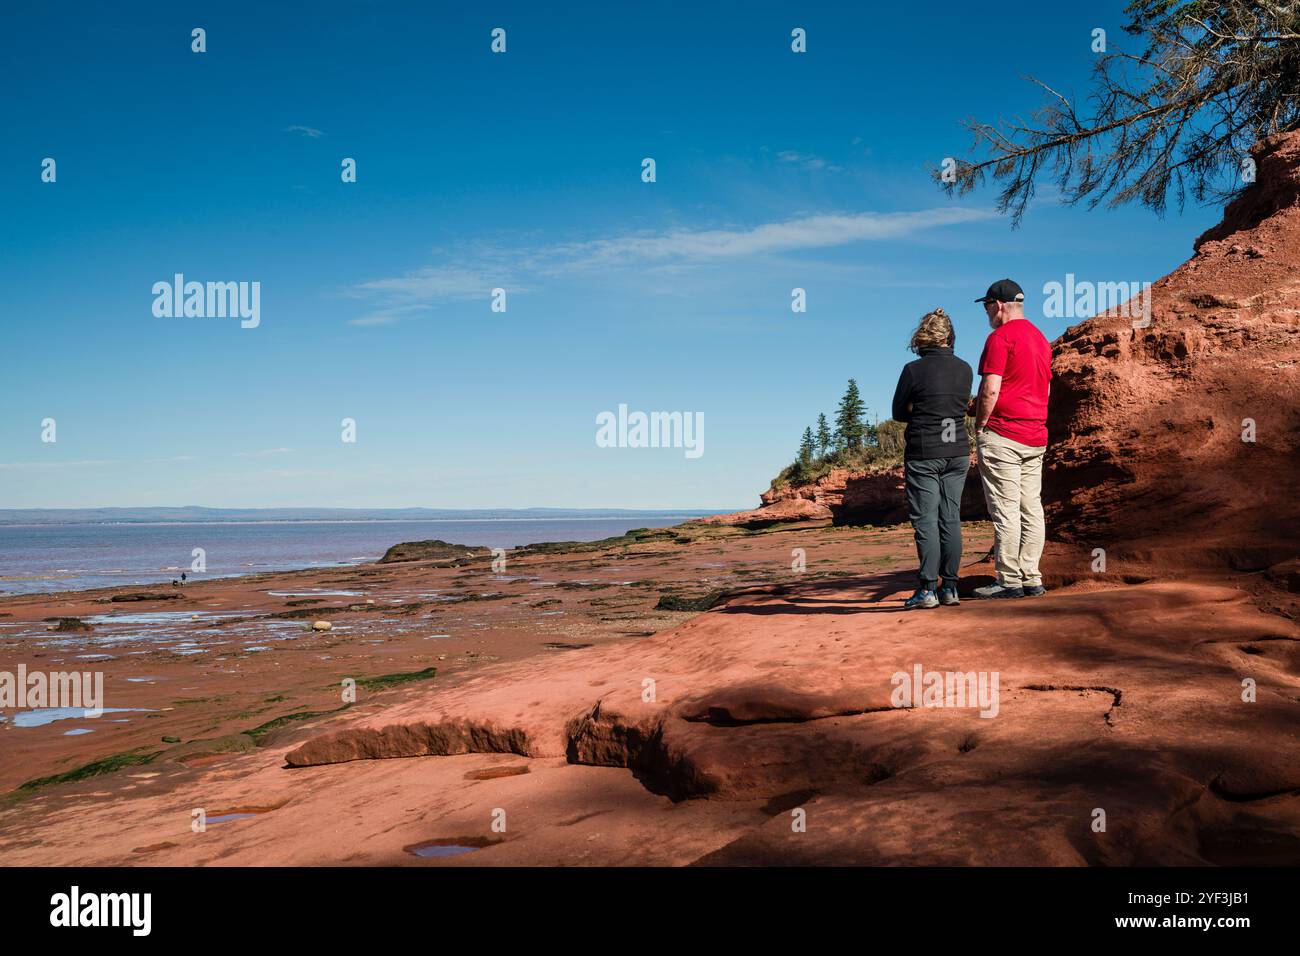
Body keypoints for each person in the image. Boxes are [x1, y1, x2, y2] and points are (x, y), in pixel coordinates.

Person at [970, 279, 1053, 599]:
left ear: (999, 306)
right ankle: (1031, 576)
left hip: (1003, 434)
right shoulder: (1041, 340)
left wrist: (980, 425)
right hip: (1034, 435)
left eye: (988, 306)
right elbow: (1046, 388)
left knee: (1005, 510)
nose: (987, 312)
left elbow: (990, 388)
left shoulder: (999, 338)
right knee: (1031, 508)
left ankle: (1008, 580)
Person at [891, 307, 974, 610]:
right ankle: (949, 588)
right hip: (957, 451)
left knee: (926, 520)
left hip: (924, 452)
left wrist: (920, 406)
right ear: (950, 337)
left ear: (923, 336)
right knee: (950, 518)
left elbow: (898, 413)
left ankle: (927, 590)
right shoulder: (965, 369)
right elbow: (960, 406)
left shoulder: (913, 370)